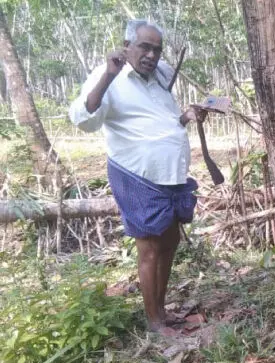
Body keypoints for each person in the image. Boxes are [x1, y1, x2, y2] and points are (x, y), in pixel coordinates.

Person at [69, 19, 206, 333]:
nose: (151, 55)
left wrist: (185, 117)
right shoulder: (110, 77)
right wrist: (108, 75)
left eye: (157, 49)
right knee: (150, 248)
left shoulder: (159, 78)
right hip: (137, 177)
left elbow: (163, 123)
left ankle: (161, 308)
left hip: (170, 176)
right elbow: (84, 117)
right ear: (127, 45)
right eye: (145, 46)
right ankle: (154, 320)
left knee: (169, 243)